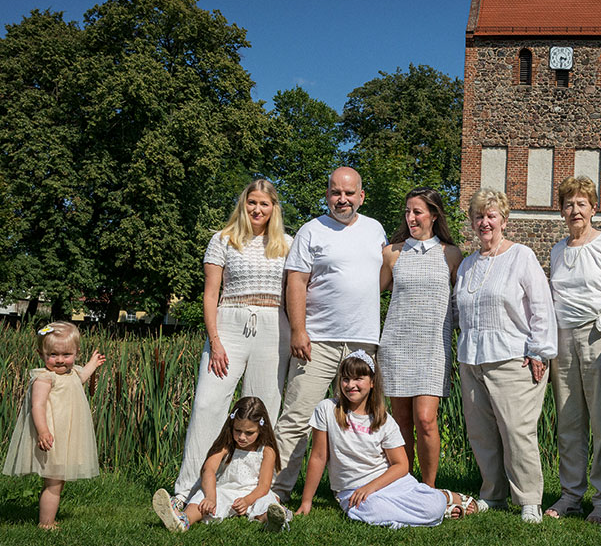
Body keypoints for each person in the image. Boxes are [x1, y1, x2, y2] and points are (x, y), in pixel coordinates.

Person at [172, 179, 292, 506]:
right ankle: (186, 491)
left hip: (273, 327)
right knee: (208, 405)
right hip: (229, 324)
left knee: (264, 409)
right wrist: (216, 340)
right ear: (243, 204)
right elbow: (210, 294)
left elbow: (297, 293)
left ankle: (252, 492)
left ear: (273, 208)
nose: (257, 209)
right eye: (252, 202)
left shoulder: (288, 244)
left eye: (264, 204)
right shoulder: (222, 240)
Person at [272, 167, 387, 502]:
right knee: (297, 417)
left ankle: (359, 489)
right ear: (327, 195)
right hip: (317, 341)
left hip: (363, 342)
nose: (342, 199)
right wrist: (298, 329)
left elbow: (379, 277)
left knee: (361, 421)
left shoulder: (375, 230)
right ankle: (276, 491)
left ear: (361, 196)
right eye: (336, 192)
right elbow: (296, 281)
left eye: (349, 193)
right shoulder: (311, 231)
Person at [453, 188, 557, 523]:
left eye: (491, 215)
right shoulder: (468, 264)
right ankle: (493, 494)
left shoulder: (520, 256)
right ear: (472, 222)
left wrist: (539, 350)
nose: (485, 222)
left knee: (516, 430)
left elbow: (541, 306)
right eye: (479, 216)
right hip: (472, 359)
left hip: (512, 357)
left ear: (504, 220)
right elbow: (460, 312)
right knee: (481, 432)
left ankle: (529, 499)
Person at [296, 351, 480, 527]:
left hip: (388, 483)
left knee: (432, 506)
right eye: (346, 378)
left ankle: (443, 498)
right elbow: (319, 456)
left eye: (358, 378)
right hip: (352, 490)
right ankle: (438, 510)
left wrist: (370, 487)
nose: (350, 384)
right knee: (370, 510)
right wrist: (306, 502)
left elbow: (401, 465)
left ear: (372, 382)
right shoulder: (327, 409)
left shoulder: (384, 420)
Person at [545, 176, 601, 525]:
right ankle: (570, 494)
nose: (574, 210)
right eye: (568, 204)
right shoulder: (557, 250)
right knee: (568, 422)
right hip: (562, 341)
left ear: (593, 209)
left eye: (581, 203)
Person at [378, 187, 462, 487]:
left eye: (417, 211)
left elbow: (461, 302)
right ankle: (403, 483)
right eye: (407, 212)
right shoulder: (392, 252)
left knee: (425, 420)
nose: (410, 217)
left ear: (434, 215)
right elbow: (371, 293)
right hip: (396, 345)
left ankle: (428, 487)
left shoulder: (451, 254)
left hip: (433, 348)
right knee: (400, 422)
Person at [3, 322, 106, 529]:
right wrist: (42, 431)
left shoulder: (72, 374)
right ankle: (46, 523)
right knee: (54, 482)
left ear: (76, 352)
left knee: (57, 481)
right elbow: (37, 406)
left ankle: (48, 518)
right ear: (41, 354)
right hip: (53, 436)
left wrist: (92, 365)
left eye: (66, 354)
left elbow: (81, 379)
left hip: (67, 436)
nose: (60, 360)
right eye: (53, 355)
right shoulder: (44, 378)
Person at [153, 396, 292, 532]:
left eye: (249, 433)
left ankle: (271, 520)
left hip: (253, 493)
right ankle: (183, 520)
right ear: (232, 425)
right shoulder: (227, 444)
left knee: (267, 501)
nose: (242, 437)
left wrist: (247, 500)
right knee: (201, 498)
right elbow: (209, 469)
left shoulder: (267, 450)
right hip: (225, 490)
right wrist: (211, 497)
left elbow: (264, 486)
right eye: (237, 430)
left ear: (261, 429)